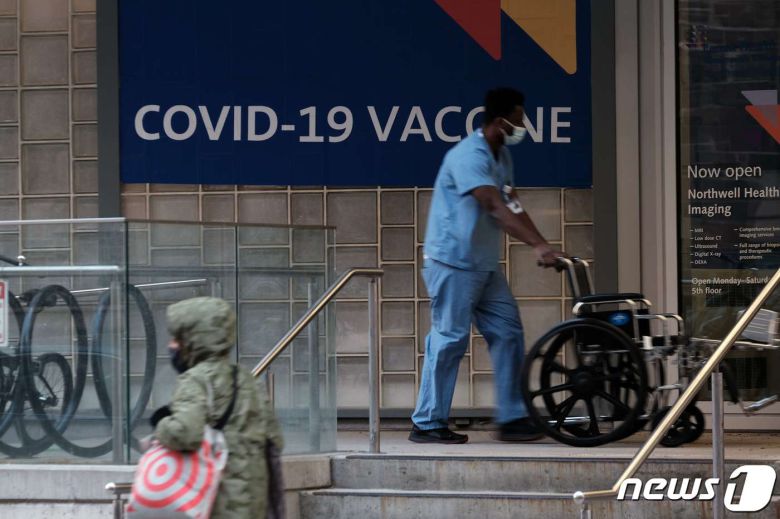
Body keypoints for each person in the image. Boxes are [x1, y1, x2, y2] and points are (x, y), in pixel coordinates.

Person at [410, 87, 564, 444]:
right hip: (452, 262)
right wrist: (536, 246)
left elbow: (511, 204)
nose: (523, 126)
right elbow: (492, 205)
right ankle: (427, 421)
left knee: (508, 332)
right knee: (449, 339)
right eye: (519, 121)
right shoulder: (469, 156)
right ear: (500, 122)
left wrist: (544, 245)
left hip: (483, 265)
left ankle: (511, 417)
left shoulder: (502, 157)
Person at [150, 296, 284, 518]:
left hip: (217, 502)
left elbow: (185, 433)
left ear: (193, 340)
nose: (171, 345)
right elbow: (274, 439)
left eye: (176, 338)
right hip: (253, 502)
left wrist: (161, 423)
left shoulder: (195, 380)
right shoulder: (245, 378)